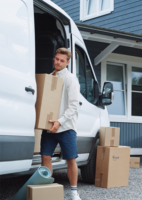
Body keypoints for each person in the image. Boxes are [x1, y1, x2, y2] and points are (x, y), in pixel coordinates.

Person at [40, 48, 81, 200]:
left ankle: (74, 192)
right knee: (45, 156)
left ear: (67, 62)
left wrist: (60, 121)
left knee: (70, 159)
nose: (58, 62)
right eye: (56, 59)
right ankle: (46, 188)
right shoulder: (49, 77)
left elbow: (74, 105)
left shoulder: (70, 79)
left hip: (66, 126)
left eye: (61, 60)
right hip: (49, 125)